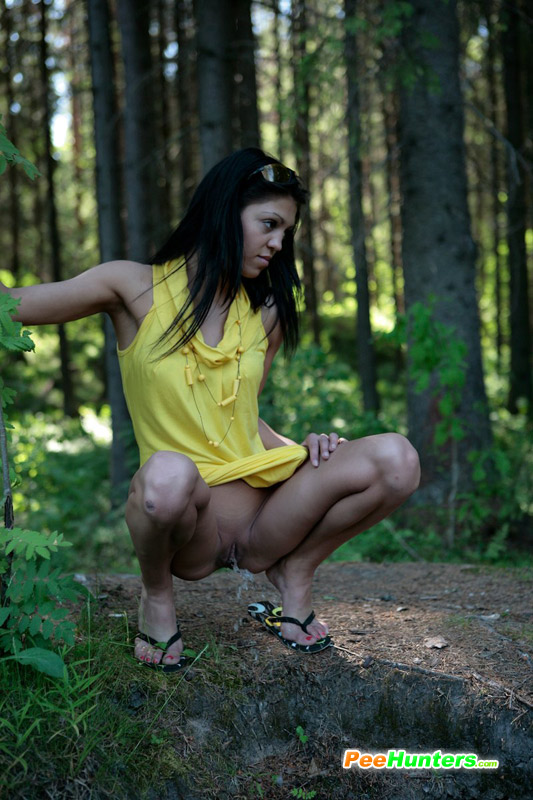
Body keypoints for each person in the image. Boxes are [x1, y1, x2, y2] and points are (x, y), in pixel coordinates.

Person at [1, 147, 420, 671]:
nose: (278, 243)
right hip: (188, 521)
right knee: (166, 475)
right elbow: (11, 305)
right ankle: (157, 596)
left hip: (266, 520)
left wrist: (302, 449)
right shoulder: (131, 287)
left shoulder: (265, 311)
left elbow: (242, 417)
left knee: (397, 459)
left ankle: (295, 573)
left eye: (286, 232)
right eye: (269, 224)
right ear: (225, 210)